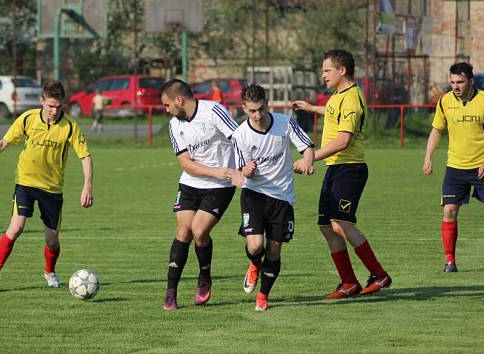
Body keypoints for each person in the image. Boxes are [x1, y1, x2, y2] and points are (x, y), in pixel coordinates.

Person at [0, 80, 93, 293]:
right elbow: (4, 142)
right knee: (16, 228)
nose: (54, 111)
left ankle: (49, 272)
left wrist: (87, 186)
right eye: (50, 106)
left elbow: (85, 156)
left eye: (58, 107)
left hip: (52, 189)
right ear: (42, 101)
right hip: (25, 182)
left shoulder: (70, 126)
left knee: (52, 241)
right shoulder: (27, 119)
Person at [293, 49, 391, 299]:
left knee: (341, 223)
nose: (322, 75)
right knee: (326, 226)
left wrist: (310, 156)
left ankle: (379, 275)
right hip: (335, 169)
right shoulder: (338, 95)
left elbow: (343, 141)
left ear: (342, 70)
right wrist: (311, 107)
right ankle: (348, 282)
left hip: (350, 169)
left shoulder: (352, 98)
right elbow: (332, 112)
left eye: (327, 70)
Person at [230, 84, 314, 311]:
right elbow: (241, 169)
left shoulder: (285, 123)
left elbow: (306, 147)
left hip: (282, 198)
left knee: (275, 250)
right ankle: (254, 264)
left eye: (261, 109)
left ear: (267, 104)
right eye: (251, 111)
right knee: (256, 246)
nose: (257, 115)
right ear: (244, 109)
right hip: (254, 195)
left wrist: (307, 159)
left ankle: (263, 296)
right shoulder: (240, 135)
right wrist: (246, 171)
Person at [161, 79, 238, 310]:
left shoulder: (214, 110)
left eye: (167, 105)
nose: (166, 110)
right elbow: (186, 164)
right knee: (183, 230)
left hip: (220, 186)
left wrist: (242, 168)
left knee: (199, 231)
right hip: (191, 183)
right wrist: (216, 170)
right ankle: (171, 292)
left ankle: (204, 277)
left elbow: (239, 138)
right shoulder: (174, 124)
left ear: (179, 99)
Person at [422, 62, 484, 273]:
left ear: (471, 81)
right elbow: (436, 130)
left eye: (460, 82)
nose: (456, 86)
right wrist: (428, 157)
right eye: (452, 82)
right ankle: (450, 262)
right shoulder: (445, 101)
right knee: (450, 210)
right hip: (455, 167)